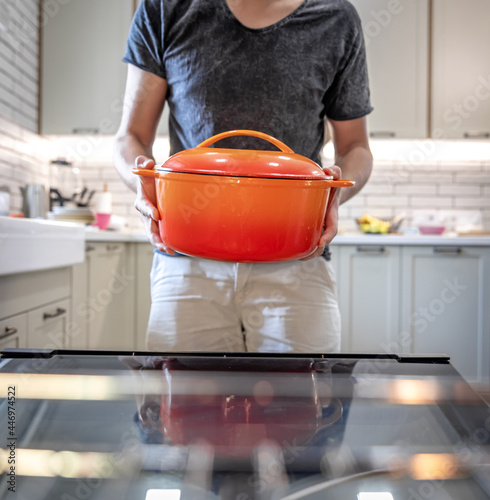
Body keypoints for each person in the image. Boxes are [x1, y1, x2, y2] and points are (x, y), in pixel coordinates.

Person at [114, 0, 373, 353]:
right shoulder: (165, 7)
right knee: (183, 400)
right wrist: (146, 186)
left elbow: (356, 147)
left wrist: (333, 196)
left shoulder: (336, 18)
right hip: (188, 263)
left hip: (296, 260)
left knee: (301, 402)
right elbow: (130, 137)